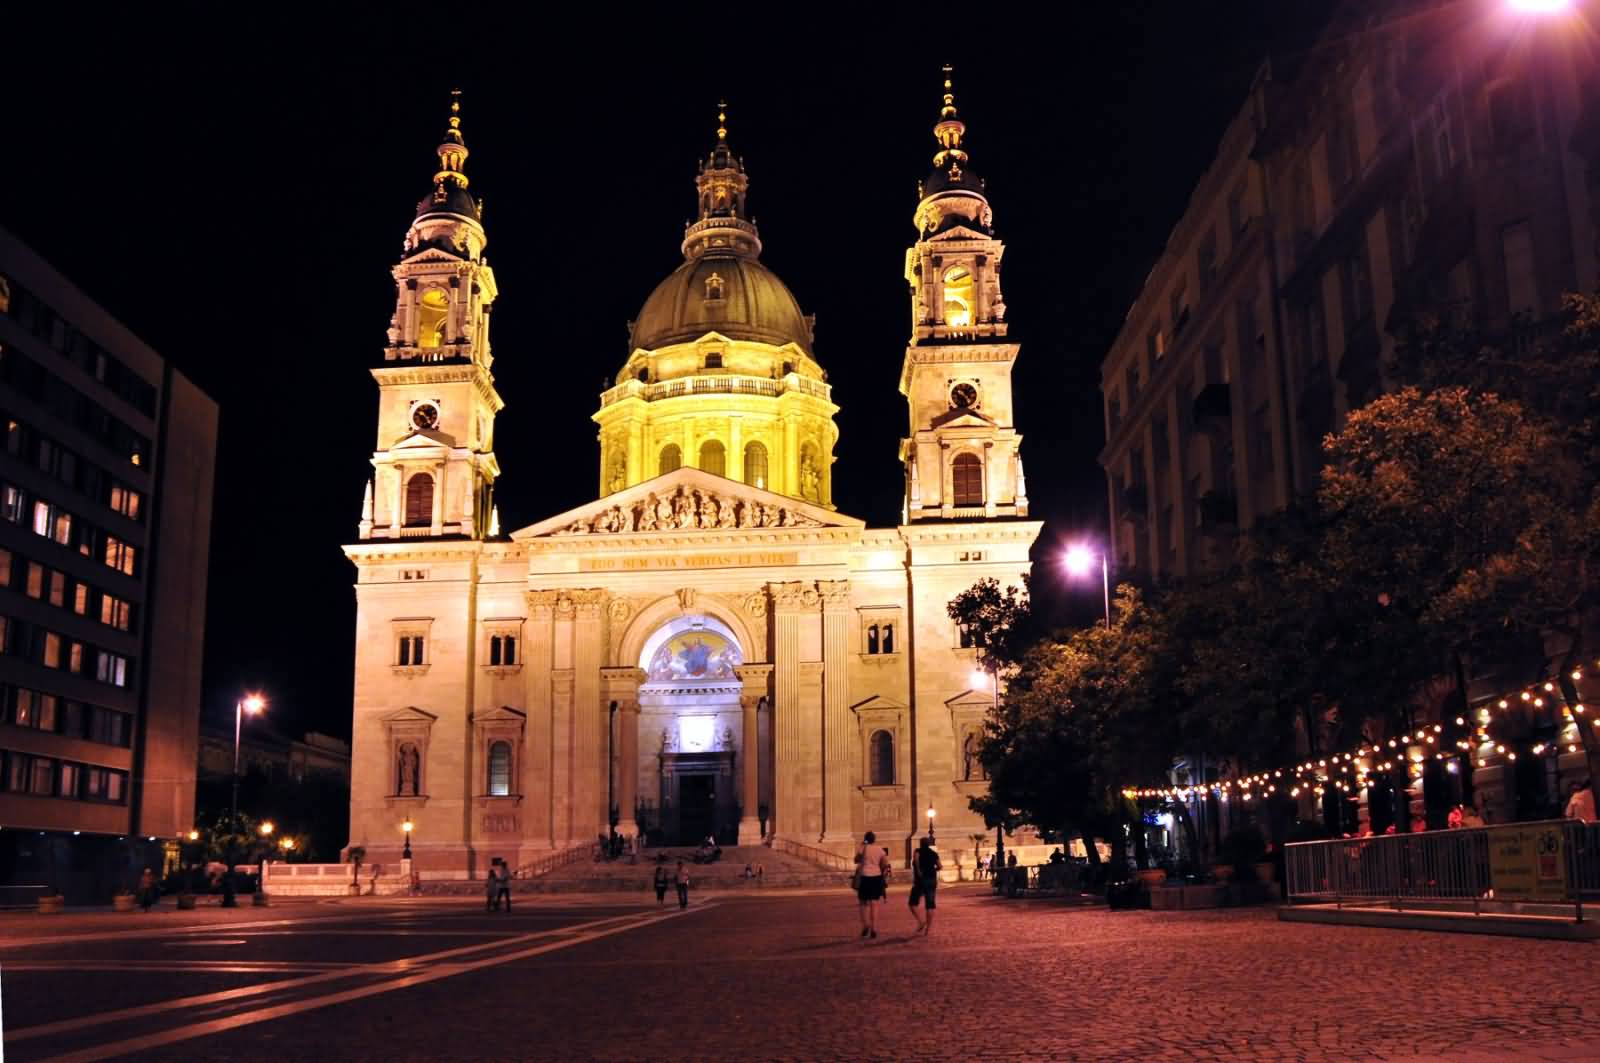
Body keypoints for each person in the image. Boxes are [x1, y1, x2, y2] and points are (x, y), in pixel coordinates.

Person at [855, 830, 891, 940]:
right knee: (874, 903)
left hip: (865, 876)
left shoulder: (862, 848)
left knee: (863, 903)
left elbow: (856, 860)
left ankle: (866, 925)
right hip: (876, 876)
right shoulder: (879, 849)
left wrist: (862, 847)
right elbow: (885, 863)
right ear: (874, 839)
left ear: (865, 838)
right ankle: (874, 928)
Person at [908, 837, 942, 934]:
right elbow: (940, 866)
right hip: (932, 880)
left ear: (920, 843)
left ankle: (920, 921)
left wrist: (918, 871)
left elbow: (916, 860)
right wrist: (933, 870)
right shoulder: (934, 853)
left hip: (921, 880)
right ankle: (928, 929)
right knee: (930, 905)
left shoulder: (917, 851)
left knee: (912, 903)